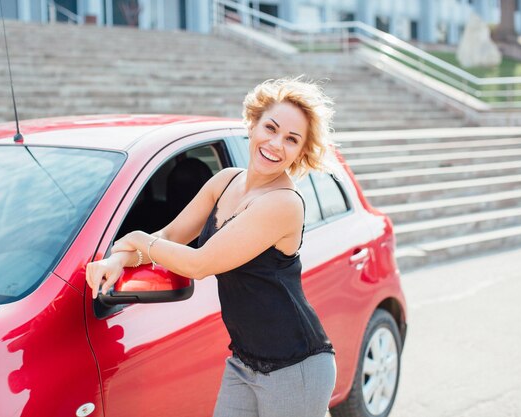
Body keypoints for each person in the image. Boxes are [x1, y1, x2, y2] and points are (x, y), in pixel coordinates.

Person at [86, 77, 338, 417]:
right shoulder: (225, 181)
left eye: (291, 139)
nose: (276, 144)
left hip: (296, 367)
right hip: (244, 361)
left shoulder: (283, 203)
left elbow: (199, 264)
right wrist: (118, 259)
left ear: (301, 152)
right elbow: (171, 236)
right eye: (271, 128)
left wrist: (135, 239)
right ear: (252, 124)